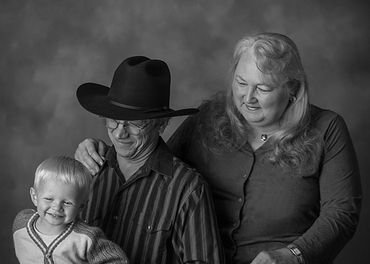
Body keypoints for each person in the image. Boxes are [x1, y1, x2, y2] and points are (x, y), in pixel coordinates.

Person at [75, 33, 362, 264]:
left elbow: (342, 212)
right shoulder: (209, 117)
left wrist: (293, 255)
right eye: (241, 83)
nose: (248, 98)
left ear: (293, 90)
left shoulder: (327, 128)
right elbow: (154, 164)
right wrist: (104, 152)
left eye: (262, 89)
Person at [75, 56, 224, 264]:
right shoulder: (88, 169)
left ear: (161, 124)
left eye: (135, 124)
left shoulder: (188, 189)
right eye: (113, 121)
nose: (120, 134)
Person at [12, 156, 129, 264]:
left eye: (67, 203)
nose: (57, 207)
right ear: (35, 196)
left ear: (81, 207)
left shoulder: (87, 238)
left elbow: (117, 261)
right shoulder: (22, 222)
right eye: (49, 199)